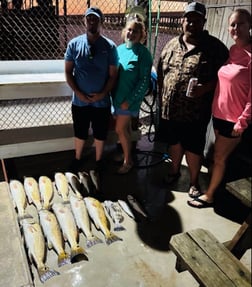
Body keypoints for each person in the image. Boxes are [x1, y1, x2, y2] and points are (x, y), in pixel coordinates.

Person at [157, 1, 229, 196]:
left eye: (197, 20)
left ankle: (194, 182)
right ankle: (174, 172)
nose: (192, 23)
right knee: (174, 144)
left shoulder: (215, 48)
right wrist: (162, 97)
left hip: (195, 113)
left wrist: (205, 88)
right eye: (189, 19)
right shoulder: (171, 44)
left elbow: (225, 78)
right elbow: (161, 73)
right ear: (183, 21)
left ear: (203, 22)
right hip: (170, 110)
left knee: (193, 149)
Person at [188, 8, 252, 208]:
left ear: (250, 26)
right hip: (219, 114)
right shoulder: (233, 51)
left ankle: (210, 195)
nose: (236, 28)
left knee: (219, 157)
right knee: (220, 157)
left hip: (234, 119)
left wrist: (243, 121)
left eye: (241, 23)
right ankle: (218, 188)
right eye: (232, 24)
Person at [65, 7, 119, 172]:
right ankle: (77, 157)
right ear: (84, 21)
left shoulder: (110, 46)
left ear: (101, 21)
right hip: (79, 101)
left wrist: (102, 94)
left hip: (101, 101)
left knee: (100, 132)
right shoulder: (74, 44)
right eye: (89, 18)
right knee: (80, 131)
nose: (92, 21)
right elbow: (68, 72)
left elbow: (112, 76)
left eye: (95, 18)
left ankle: (99, 159)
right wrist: (79, 93)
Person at [111, 15, 153, 174]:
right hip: (117, 98)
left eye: (135, 31)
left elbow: (144, 81)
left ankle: (128, 161)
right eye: (129, 30)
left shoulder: (143, 53)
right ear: (124, 31)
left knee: (120, 130)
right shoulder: (119, 49)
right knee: (125, 130)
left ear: (141, 34)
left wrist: (129, 101)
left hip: (129, 102)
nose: (131, 33)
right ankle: (125, 153)